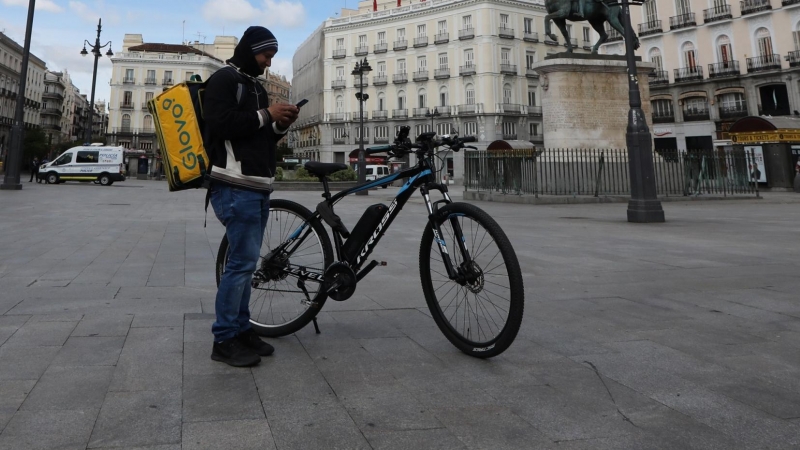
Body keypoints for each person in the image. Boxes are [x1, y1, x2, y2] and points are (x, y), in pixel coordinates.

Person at [203, 26, 299, 367]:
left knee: (245, 265)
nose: (268, 62)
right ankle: (224, 339)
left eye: (272, 56)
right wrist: (266, 115)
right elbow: (221, 124)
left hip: (256, 185)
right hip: (233, 184)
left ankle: (241, 330)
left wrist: (280, 123)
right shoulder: (224, 80)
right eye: (265, 55)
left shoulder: (256, 87)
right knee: (241, 265)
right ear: (250, 49)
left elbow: (259, 137)